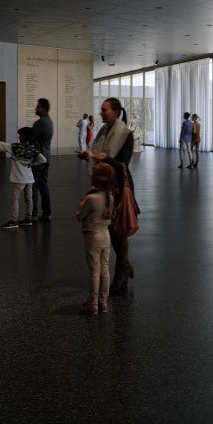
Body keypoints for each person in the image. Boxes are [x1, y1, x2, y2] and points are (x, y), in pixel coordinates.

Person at [79, 98, 135, 293]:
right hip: (105, 185)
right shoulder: (103, 131)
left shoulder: (125, 134)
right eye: (101, 110)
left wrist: (106, 158)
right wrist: (89, 155)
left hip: (119, 186)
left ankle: (120, 276)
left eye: (104, 110)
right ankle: (125, 267)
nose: (101, 113)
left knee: (119, 232)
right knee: (110, 230)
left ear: (116, 112)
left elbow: (123, 165)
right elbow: (96, 151)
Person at [76, 163, 116, 315]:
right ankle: (103, 302)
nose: (90, 176)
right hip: (106, 236)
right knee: (105, 269)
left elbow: (79, 217)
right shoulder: (110, 197)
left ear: (97, 179)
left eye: (92, 174)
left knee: (94, 270)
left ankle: (92, 303)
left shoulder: (91, 198)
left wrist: (82, 202)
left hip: (92, 237)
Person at [0, 127, 46, 229]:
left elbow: (1, 145)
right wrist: (32, 163)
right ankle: (28, 219)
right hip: (29, 178)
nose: (19, 137)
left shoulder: (16, 147)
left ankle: (13, 220)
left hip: (20, 178)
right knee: (29, 198)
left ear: (25, 137)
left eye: (21, 135)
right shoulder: (33, 149)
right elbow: (43, 159)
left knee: (15, 198)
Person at [31, 98, 54, 221]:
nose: (36, 108)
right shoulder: (49, 121)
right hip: (47, 157)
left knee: (33, 185)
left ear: (44, 109)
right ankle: (46, 213)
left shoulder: (40, 123)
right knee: (43, 185)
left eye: (38, 106)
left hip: (39, 158)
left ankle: (33, 214)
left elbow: (30, 136)